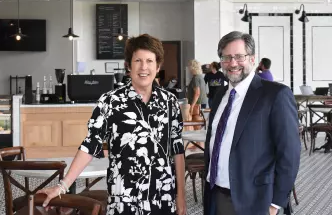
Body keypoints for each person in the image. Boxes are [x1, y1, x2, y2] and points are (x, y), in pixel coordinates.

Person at [38, 34, 187, 215]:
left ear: (158, 66)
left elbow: (177, 151)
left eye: (149, 60)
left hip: (163, 197)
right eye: (138, 60)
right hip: (124, 198)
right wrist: (63, 186)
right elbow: (90, 145)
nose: (143, 67)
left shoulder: (170, 102)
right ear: (128, 66)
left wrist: (181, 196)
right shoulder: (111, 101)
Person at [203, 31, 301, 215]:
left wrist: (275, 204)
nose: (233, 63)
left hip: (257, 201)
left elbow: (290, 154)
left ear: (252, 59)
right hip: (216, 195)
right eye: (226, 57)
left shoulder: (275, 95)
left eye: (239, 56)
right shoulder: (219, 97)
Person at [187, 59, 208, 129]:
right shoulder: (200, 77)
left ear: (193, 67)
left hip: (198, 104)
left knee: (196, 123)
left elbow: (197, 93)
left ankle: (198, 139)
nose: (188, 68)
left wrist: (192, 106)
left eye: (189, 66)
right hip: (200, 103)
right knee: (198, 123)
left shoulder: (196, 78)